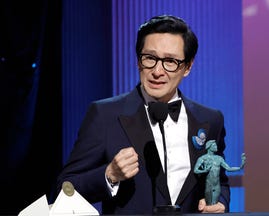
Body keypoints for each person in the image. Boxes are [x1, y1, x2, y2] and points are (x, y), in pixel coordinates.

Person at [56, 14, 231, 214]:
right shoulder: (105, 114)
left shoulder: (210, 119)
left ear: (188, 67)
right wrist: (108, 175)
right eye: (150, 58)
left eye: (170, 61)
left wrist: (220, 202)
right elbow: (64, 189)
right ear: (139, 61)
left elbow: (220, 181)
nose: (157, 71)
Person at [194, 140, 246, 206]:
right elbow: (196, 170)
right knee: (209, 206)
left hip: (217, 185)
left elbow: (228, 168)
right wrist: (204, 171)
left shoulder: (219, 158)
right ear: (209, 147)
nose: (216, 147)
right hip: (208, 185)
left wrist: (240, 167)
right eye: (214, 145)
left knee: (215, 205)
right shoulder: (203, 158)